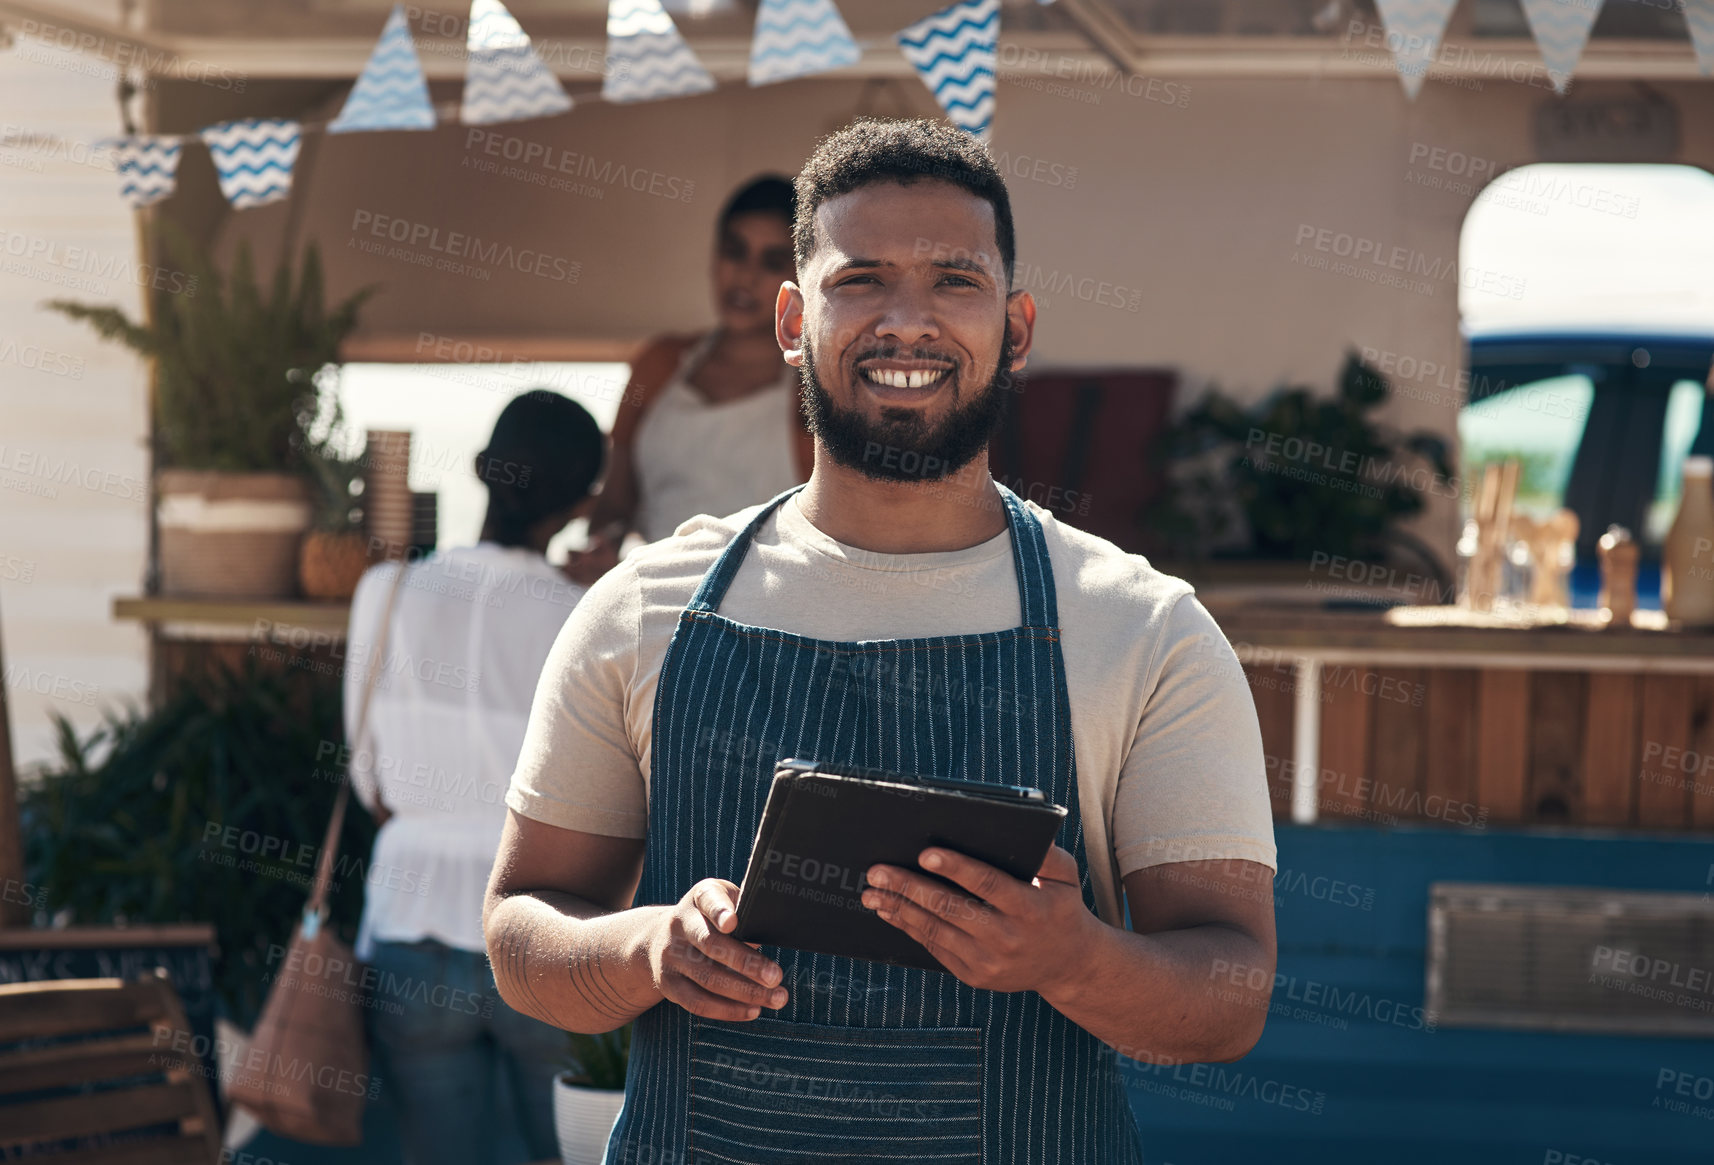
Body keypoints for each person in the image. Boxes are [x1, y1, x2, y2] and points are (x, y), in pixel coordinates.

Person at [485, 120, 1278, 1163]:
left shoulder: (1143, 626)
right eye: (859, 279)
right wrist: (645, 947)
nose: (908, 321)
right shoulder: (644, 608)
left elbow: (1231, 992)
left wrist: (1072, 956)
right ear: (790, 317)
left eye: (956, 280)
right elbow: (519, 929)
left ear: (1018, 325)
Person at [342, 390, 604, 1165]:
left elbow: (370, 778)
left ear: (486, 470)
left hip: (409, 918)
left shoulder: (383, 592)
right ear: (583, 498)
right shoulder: (586, 613)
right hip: (541, 926)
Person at [564, 175, 813, 582]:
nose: (745, 277)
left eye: (770, 262)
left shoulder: (813, 389)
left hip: (764, 625)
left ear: (799, 277)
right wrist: (604, 545)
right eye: (735, 252)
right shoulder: (659, 364)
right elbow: (615, 502)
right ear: (714, 254)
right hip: (651, 605)